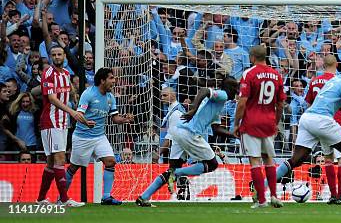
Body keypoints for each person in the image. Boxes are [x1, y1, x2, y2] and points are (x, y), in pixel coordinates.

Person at [275, 64, 341, 204]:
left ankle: (265, 186)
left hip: (307, 119)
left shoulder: (336, 79)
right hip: (323, 121)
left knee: (297, 159)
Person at [136, 77, 239, 207]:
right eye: (235, 87)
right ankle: (176, 173)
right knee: (212, 164)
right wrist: (193, 110)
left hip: (180, 131)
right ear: (229, 87)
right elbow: (204, 90)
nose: (237, 90)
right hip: (190, 133)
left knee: (172, 169)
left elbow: (216, 129)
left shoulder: (216, 104)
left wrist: (234, 134)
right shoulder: (223, 95)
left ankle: (144, 197)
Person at [64, 67, 134, 205]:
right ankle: (62, 197)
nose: (114, 81)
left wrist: (125, 119)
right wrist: (86, 122)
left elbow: (115, 118)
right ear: (102, 80)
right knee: (73, 168)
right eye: (111, 78)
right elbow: (79, 115)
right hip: (83, 137)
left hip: (99, 136)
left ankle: (106, 197)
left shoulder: (110, 97)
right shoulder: (88, 94)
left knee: (110, 162)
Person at [36, 45, 91, 207]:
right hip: (51, 121)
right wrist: (72, 112)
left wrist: (76, 104)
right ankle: (64, 200)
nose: (57, 57)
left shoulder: (66, 74)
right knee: (59, 158)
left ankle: (40, 199)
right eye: (54, 54)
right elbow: (52, 99)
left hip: (62, 122)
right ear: (51, 57)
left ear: (64, 56)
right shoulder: (48, 73)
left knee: (51, 162)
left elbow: (69, 92)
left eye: (60, 54)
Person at [233, 45, 285, 208]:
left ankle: (262, 200)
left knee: (255, 161)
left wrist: (236, 123)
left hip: (251, 123)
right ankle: (275, 196)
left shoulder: (249, 74)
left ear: (252, 57)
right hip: (269, 122)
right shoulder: (276, 75)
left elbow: (242, 103)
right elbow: (281, 104)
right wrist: (275, 123)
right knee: (268, 159)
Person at [303, 55, 341, 204]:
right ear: (336, 64)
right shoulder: (339, 81)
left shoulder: (314, 81)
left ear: (323, 65)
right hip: (337, 122)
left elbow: (309, 104)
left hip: (319, 124)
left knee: (328, 158)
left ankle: (333, 195)